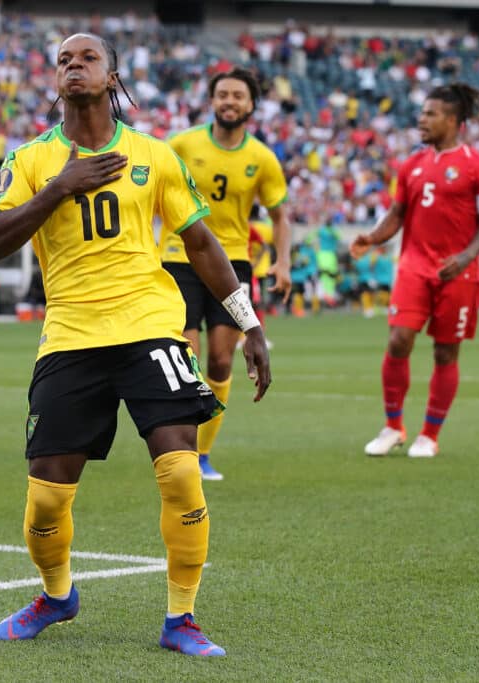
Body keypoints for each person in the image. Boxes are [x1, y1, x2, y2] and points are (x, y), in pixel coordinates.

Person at [0, 33, 271, 657]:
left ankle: (181, 618)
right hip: (71, 336)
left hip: (150, 327)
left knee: (181, 471)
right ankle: (57, 596)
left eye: (86, 58)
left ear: (112, 77)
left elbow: (201, 243)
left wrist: (248, 323)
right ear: (55, 80)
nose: (73, 66)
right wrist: (59, 187)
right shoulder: (30, 160)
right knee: (46, 498)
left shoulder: (154, 155)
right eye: (63, 60)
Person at [350, 83, 479, 458]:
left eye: (430, 113)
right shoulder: (412, 165)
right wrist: (372, 237)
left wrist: (466, 257)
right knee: (398, 340)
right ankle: (393, 426)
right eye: (422, 113)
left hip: (458, 272)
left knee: (445, 354)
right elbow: (397, 214)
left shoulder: (478, 167)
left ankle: (429, 434)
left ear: (452, 120)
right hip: (415, 267)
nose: (422, 119)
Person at [160, 66, 291, 481]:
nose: (229, 101)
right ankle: (178, 449)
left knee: (220, 360)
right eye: (223, 95)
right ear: (212, 101)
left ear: (252, 105)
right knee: (187, 356)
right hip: (179, 257)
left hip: (232, 262)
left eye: (238, 96)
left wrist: (283, 261)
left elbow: (280, 215)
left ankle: (201, 453)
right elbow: (148, 191)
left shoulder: (262, 159)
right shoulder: (181, 143)